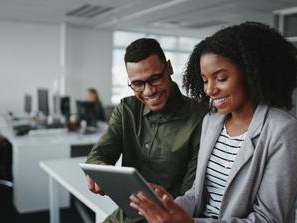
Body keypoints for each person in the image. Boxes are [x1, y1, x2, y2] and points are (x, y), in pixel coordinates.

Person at [129, 21, 297, 222]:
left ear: (251, 74)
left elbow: (270, 219)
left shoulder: (284, 131)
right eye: (205, 80)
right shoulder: (212, 122)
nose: (209, 90)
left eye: (221, 78)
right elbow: (198, 194)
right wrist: (169, 207)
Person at [86, 38, 207, 222]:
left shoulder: (200, 119)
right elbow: (99, 154)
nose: (148, 91)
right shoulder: (127, 109)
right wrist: (98, 168)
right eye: (138, 84)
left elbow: (192, 196)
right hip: (127, 214)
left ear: (169, 68)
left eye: (155, 78)